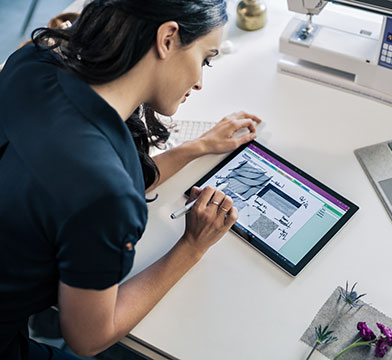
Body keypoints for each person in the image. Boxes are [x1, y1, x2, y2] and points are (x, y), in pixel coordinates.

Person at [0, 0, 262, 359]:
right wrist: (192, 246)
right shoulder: (106, 196)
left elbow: (78, 176)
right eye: (205, 58)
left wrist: (196, 147)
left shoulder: (36, 58)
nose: (200, 82)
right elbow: (89, 338)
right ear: (167, 38)